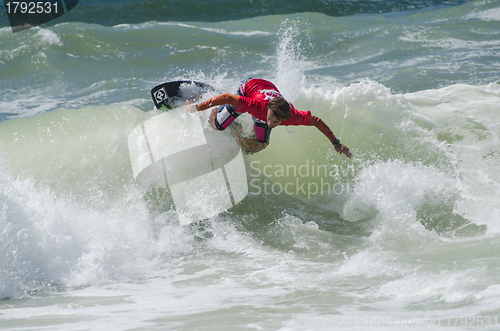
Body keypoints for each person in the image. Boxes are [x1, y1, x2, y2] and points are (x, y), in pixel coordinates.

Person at [185, 78, 351, 158]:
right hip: (249, 87)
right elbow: (227, 97)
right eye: (270, 118)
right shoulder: (255, 105)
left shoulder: (290, 117)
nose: (271, 123)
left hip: (269, 88)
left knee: (257, 145)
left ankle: (235, 126)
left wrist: (336, 142)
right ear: (269, 109)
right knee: (219, 126)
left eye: (276, 122)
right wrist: (197, 108)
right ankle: (214, 110)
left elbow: (316, 121)